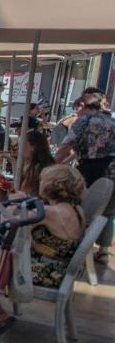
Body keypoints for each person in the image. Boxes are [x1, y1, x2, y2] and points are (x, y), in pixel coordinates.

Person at [56, 94, 115, 265]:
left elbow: (66, 146)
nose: (76, 113)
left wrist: (53, 165)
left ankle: (75, 247)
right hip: (113, 170)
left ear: (82, 105)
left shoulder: (84, 121)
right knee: (108, 212)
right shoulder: (112, 121)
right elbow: (80, 150)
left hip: (92, 170)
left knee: (81, 209)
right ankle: (103, 251)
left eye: (76, 109)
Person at [18, 129, 56, 197]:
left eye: (22, 145)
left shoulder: (37, 168)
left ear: (33, 147)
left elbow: (23, 191)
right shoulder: (40, 165)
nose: (19, 148)